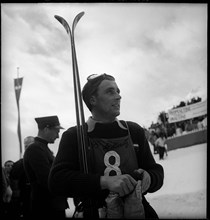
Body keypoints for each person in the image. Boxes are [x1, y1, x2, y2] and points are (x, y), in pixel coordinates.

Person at [48, 74, 164, 218]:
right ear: (93, 100)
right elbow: (57, 181)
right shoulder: (74, 136)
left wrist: (149, 178)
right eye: (110, 91)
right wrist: (104, 182)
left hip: (138, 211)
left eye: (118, 91)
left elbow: (156, 171)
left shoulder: (134, 131)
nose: (118, 96)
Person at [23, 116, 69, 219]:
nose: (58, 136)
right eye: (56, 131)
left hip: (52, 205)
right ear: (46, 129)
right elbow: (47, 179)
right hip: (46, 207)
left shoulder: (42, 148)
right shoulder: (35, 149)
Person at [10, 136, 34, 218]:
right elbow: (14, 184)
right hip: (24, 200)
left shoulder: (38, 163)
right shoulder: (18, 165)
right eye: (27, 146)